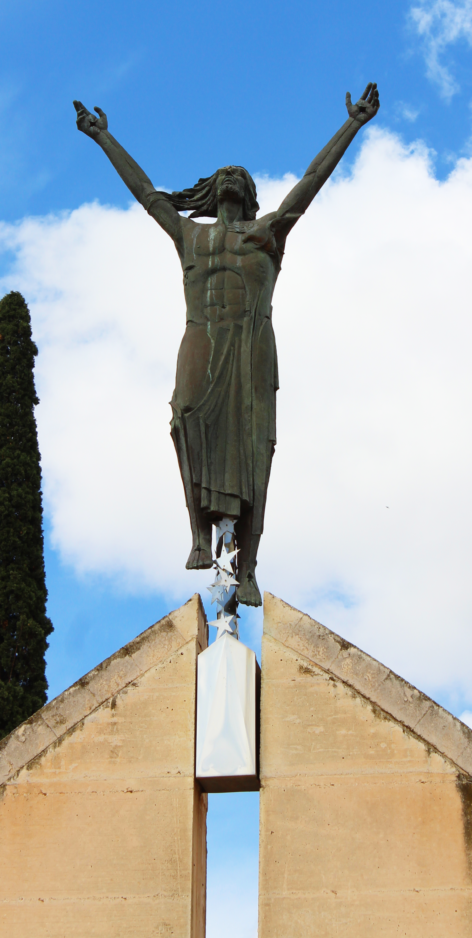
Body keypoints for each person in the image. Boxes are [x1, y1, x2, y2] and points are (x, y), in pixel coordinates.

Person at [74, 84, 379, 606]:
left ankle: (249, 565)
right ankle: (198, 531)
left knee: (255, 445)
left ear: (251, 194)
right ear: (212, 191)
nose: (233, 175)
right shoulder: (190, 236)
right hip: (201, 336)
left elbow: (311, 181)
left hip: (250, 343)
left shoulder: (268, 233)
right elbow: (146, 192)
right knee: (185, 416)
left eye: (241, 174)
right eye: (225, 174)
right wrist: (104, 137)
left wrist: (353, 125)